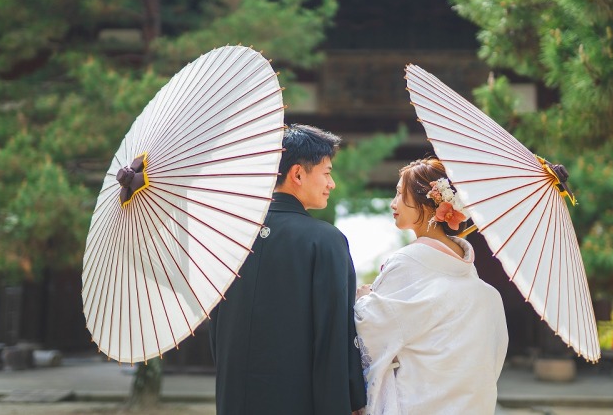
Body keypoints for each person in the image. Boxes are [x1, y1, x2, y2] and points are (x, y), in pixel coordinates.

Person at [209, 124, 366, 415]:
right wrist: (352, 397)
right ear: (297, 174)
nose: (331, 184)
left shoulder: (232, 238)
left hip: (235, 398)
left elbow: (218, 330)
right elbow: (334, 335)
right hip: (300, 401)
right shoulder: (325, 240)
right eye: (327, 173)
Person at [354, 158, 508, 414]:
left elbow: (372, 330)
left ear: (427, 204)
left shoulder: (407, 262)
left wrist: (364, 299)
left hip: (416, 403)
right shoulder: (474, 280)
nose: (393, 203)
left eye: (400, 194)